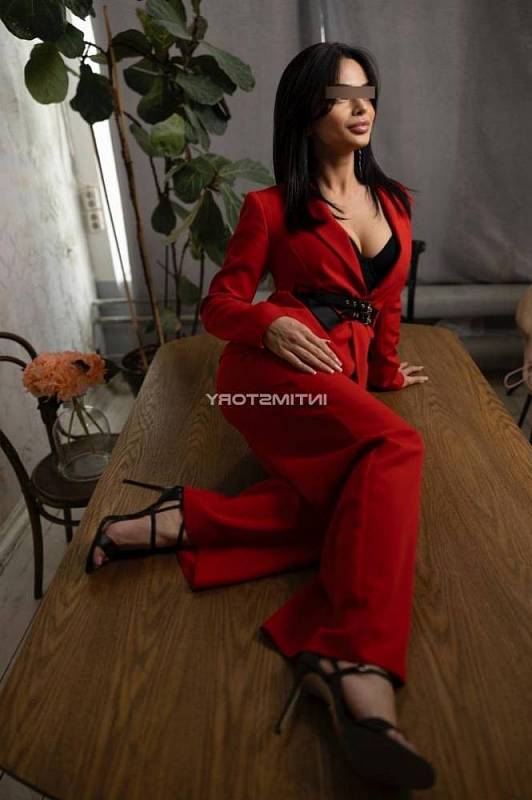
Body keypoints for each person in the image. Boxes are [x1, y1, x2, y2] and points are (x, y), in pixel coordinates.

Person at [86, 42, 435, 790]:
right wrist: (268, 323)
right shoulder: (269, 208)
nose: (362, 105)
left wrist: (383, 371)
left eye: (367, 91)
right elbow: (219, 307)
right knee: (398, 451)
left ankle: (183, 519)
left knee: (354, 503)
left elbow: (385, 306)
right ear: (307, 113)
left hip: (341, 382)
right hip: (265, 379)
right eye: (341, 95)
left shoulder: (397, 201)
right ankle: (354, 658)